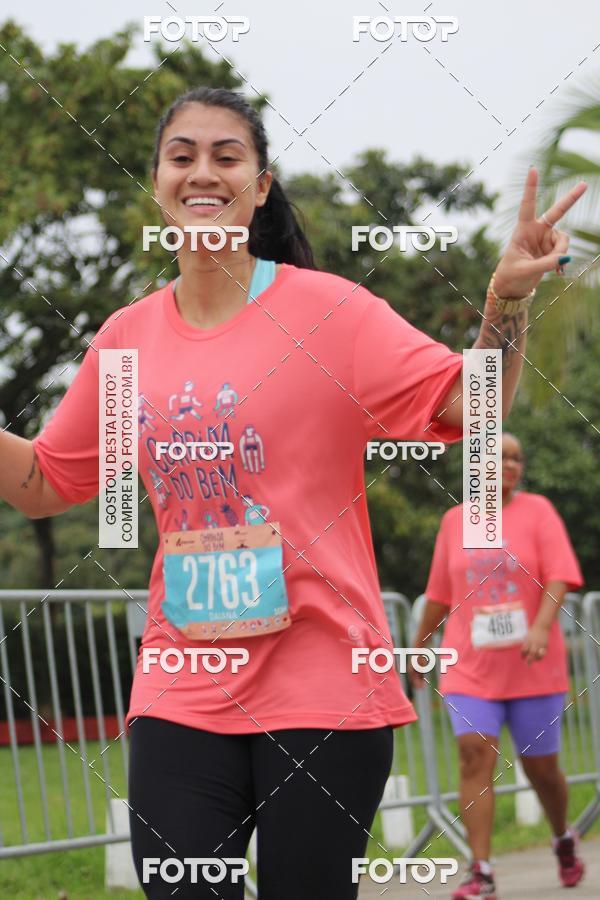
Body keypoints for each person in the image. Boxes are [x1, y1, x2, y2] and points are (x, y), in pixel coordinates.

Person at [2, 86, 586, 898]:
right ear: (158, 181)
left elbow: (467, 405)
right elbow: (43, 483)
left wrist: (506, 301)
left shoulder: (332, 315)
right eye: (182, 155)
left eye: (226, 155)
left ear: (261, 183)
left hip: (324, 686)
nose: (203, 171)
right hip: (182, 682)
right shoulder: (124, 341)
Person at [411, 432, 585, 898]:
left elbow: (560, 577)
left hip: (532, 665)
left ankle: (562, 836)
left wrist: (539, 627)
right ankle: (482, 870)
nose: (510, 464)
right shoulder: (453, 521)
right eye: (499, 456)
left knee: (541, 770)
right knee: (473, 753)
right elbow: (439, 593)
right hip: (470, 666)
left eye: (516, 458)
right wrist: (420, 645)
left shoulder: (539, 512)